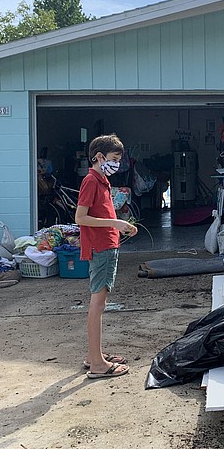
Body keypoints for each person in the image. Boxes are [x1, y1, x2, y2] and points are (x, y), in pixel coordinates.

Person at [75, 134, 138, 379]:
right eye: (113, 159)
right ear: (99, 157)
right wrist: (116, 222)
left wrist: (120, 226)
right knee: (98, 304)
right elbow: (81, 218)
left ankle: (94, 355)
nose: (117, 164)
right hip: (100, 248)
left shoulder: (101, 180)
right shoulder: (91, 181)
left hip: (107, 245)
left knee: (98, 303)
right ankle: (98, 365)